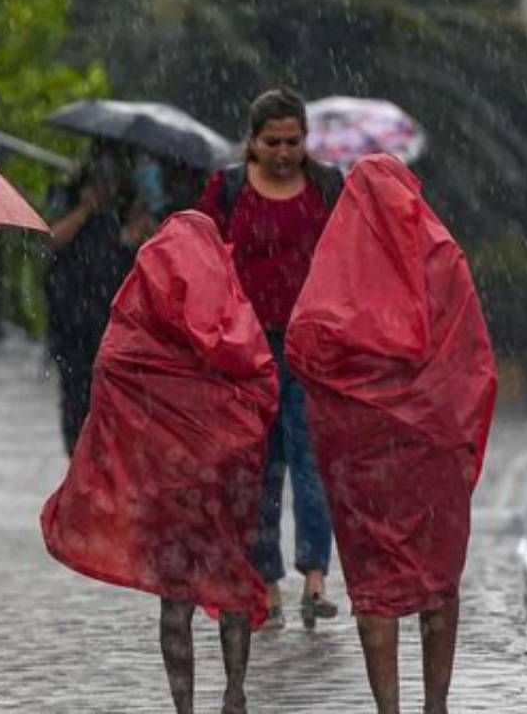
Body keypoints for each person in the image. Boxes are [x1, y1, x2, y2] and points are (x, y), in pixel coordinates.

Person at [42, 211, 279, 714]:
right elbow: (261, 381)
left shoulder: (141, 315)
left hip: (166, 482)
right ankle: (235, 691)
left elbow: (110, 371)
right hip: (224, 479)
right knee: (233, 578)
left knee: (176, 599)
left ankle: (184, 706)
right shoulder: (228, 309)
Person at [284, 155, 497, 713]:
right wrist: (449, 425)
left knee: (375, 583)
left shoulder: (337, 269)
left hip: (362, 459)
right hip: (433, 451)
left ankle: (389, 708)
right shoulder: (442, 256)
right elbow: (473, 360)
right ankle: (437, 705)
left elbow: (304, 348)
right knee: (437, 577)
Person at [194, 87, 344, 630]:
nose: (283, 152)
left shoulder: (328, 187)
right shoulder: (228, 189)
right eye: (272, 142)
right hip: (247, 349)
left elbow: (351, 254)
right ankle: (267, 579)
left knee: (312, 460)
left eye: (293, 142)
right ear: (252, 143)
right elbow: (200, 250)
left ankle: (315, 577)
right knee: (260, 467)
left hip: (311, 345)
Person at [44, 139, 148, 455]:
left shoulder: (131, 205)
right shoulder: (70, 195)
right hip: (72, 321)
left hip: (114, 323)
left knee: (116, 405)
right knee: (76, 402)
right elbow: (50, 240)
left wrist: (134, 233)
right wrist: (86, 209)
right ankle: (79, 463)